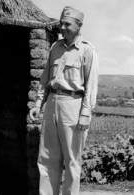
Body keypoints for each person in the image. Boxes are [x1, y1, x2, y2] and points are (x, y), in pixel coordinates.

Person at [30, 6, 99, 195]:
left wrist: (85, 114)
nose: (62, 27)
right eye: (61, 23)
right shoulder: (55, 47)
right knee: (47, 158)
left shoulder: (87, 50)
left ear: (79, 25)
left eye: (67, 24)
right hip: (52, 102)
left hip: (73, 106)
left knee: (72, 160)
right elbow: (45, 80)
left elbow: (91, 87)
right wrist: (38, 104)